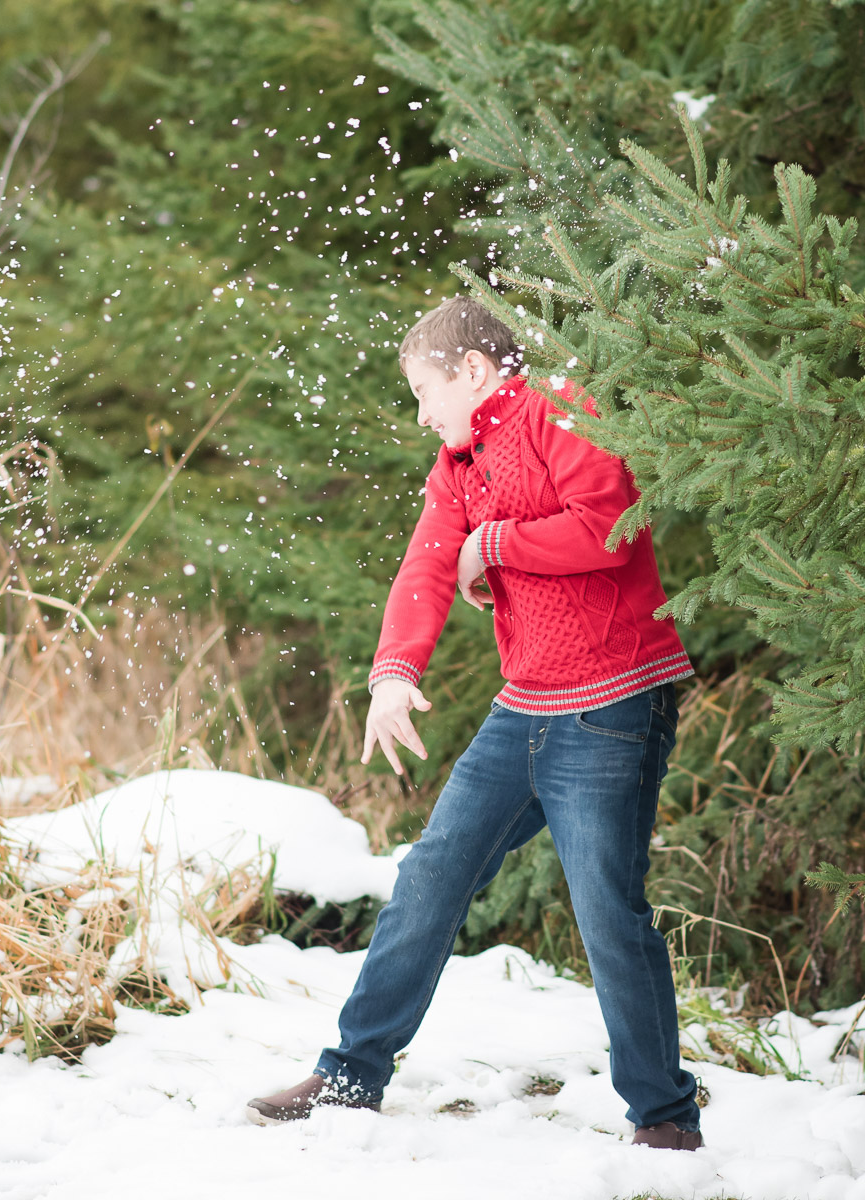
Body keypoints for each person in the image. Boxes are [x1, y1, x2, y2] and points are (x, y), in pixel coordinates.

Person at [245, 296, 704, 1151]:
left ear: (475, 370)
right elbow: (425, 564)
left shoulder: (561, 409)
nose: (421, 415)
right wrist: (393, 676)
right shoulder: (458, 463)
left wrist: (491, 547)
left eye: (425, 391)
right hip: (522, 708)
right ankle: (350, 1075)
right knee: (428, 880)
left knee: (607, 909)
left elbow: (606, 528)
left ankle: (665, 1117)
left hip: (614, 701)